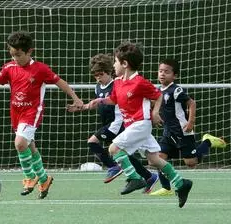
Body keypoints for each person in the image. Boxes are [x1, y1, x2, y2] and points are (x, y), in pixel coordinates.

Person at [78, 41, 193, 208]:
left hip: (141, 123)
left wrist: (154, 113)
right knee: (154, 159)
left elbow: (158, 95)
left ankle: (134, 178)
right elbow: (115, 99)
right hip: (132, 125)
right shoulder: (117, 82)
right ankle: (182, 183)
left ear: (125, 64)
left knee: (113, 148)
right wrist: (100, 100)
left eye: (116, 62)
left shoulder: (140, 82)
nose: (114, 65)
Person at [0, 31, 83, 199]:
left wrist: (76, 99)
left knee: (20, 143)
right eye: (12, 53)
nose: (15, 57)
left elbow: (60, 82)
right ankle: (44, 179)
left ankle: (29, 177)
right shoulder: (9, 67)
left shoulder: (40, 69)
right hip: (16, 113)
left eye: (18, 54)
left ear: (29, 51)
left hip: (32, 112)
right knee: (29, 147)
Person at [68, 53, 158, 193]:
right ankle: (149, 176)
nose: (98, 77)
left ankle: (113, 167)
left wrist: (153, 111)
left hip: (118, 124)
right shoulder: (98, 87)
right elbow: (97, 104)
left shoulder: (116, 84)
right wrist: (82, 107)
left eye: (101, 73)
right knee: (126, 155)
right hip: (108, 124)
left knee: (92, 142)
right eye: (95, 74)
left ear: (109, 71)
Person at [149, 58, 226, 196]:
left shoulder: (176, 90)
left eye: (166, 72)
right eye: (160, 71)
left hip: (182, 132)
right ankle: (166, 188)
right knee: (159, 158)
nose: (162, 74)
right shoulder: (158, 90)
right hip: (168, 133)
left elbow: (192, 103)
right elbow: (157, 106)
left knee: (191, 163)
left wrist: (190, 122)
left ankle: (207, 141)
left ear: (175, 75)